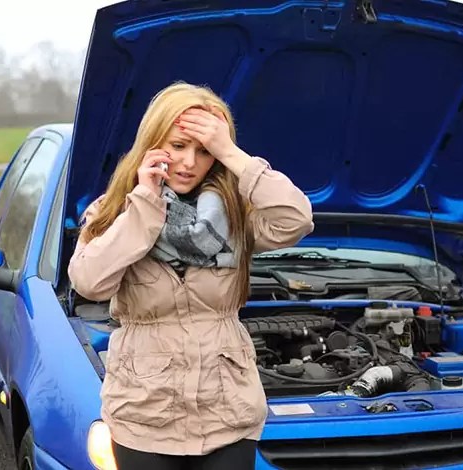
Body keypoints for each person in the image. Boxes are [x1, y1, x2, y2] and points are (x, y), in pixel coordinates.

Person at [68, 82, 314, 469]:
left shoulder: (235, 215)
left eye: (203, 151)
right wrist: (145, 206)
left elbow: (296, 218)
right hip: (144, 414)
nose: (188, 163)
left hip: (227, 412)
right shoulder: (115, 209)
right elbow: (89, 282)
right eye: (178, 146)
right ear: (152, 142)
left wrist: (230, 151)